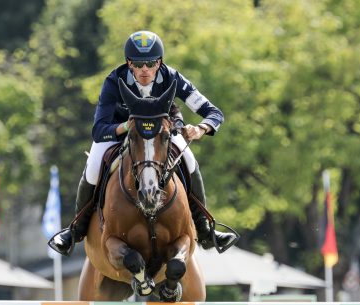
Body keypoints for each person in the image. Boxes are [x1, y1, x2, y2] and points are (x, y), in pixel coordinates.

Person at [49, 30, 238, 256]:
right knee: (93, 167)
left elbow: (212, 112)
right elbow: (99, 129)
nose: (145, 70)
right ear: (129, 63)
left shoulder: (172, 77)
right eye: (138, 65)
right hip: (122, 132)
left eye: (150, 63)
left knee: (189, 160)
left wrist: (200, 128)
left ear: (159, 62)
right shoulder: (113, 81)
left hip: (161, 133)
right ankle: (75, 231)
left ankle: (206, 230)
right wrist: (126, 127)